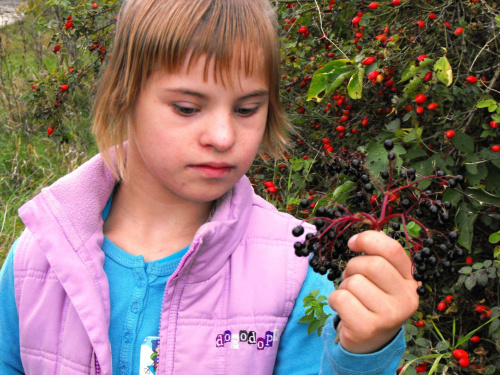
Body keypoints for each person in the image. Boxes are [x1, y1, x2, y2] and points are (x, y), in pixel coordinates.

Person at [0, 0, 419, 374]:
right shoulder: (37, 260)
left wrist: (363, 353)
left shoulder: (299, 269)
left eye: (246, 109)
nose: (222, 136)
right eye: (187, 107)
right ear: (122, 97)